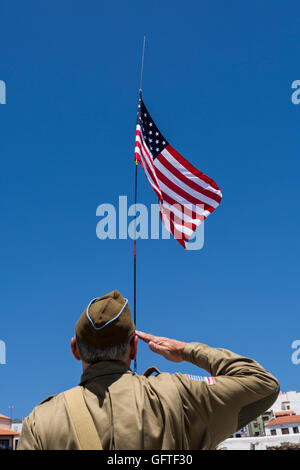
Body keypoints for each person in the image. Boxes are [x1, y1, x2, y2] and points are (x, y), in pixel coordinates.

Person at [18, 289, 280, 450]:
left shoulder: (41, 423)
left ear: (75, 349)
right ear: (134, 348)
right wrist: (185, 349)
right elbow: (262, 383)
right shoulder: (179, 396)